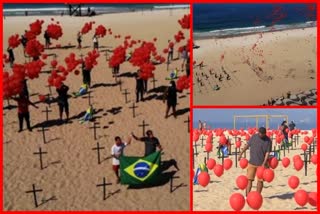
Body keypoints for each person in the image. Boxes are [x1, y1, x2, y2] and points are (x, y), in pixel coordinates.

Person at [238, 127, 272, 196]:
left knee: (260, 181)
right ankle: (247, 196)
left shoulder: (268, 141)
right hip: (252, 163)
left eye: (262, 134)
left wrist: (264, 163)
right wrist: (241, 153)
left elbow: (267, 153)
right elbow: (247, 145)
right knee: (249, 180)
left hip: (261, 164)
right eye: (259, 133)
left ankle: (257, 195)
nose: (260, 135)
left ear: (265, 134)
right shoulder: (254, 137)